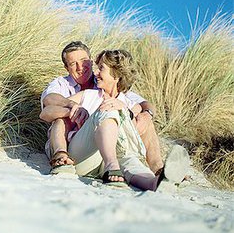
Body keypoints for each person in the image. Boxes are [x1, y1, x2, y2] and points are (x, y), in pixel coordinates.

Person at [41, 49, 164, 190]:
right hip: (83, 157)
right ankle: (112, 166)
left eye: (101, 69)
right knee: (107, 112)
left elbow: (143, 112)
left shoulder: (127, 103)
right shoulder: (88, 95)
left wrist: (126, 111)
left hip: (110, 159)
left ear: (116, 76)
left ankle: (155, 182)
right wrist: (72, 109)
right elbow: (45, 112)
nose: (96, 73)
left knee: (131, 162)